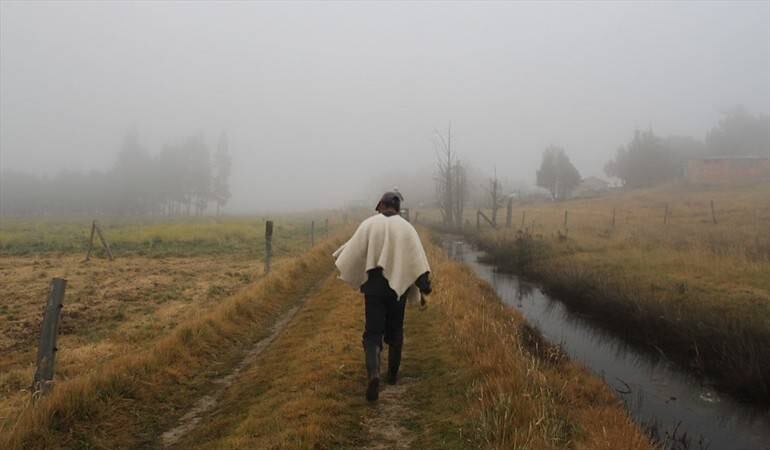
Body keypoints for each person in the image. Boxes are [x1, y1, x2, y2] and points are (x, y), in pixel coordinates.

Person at [333, 191, 432, 402]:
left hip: (374, 287)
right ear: (397, 208)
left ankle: (373, 374)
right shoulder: (407, 228)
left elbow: (354, 250)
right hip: (399, 289)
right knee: (396, 331)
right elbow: (417, 259)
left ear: (381, 205)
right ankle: (393, 376)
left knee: (372, 333)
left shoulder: (368, 225)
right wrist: (424, 286)